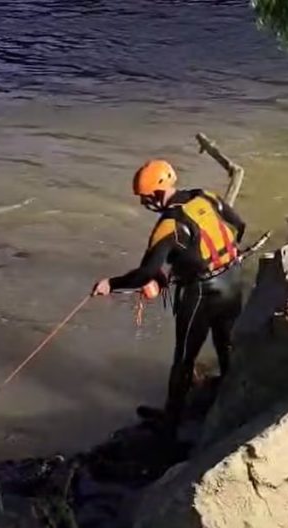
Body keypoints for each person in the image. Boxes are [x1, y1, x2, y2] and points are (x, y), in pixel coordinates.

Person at [91, 159, 247, 439]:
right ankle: (232, 405)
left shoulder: (169, 225)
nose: (145, 203)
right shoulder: (206, 196)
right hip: (234, 278)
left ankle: (170, 425)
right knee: (226, 344)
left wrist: (110, 284)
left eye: (144, 198)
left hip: (201, 292)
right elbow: (239, 225)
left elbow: (145, 274)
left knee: (184, 359)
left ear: (155, 194)